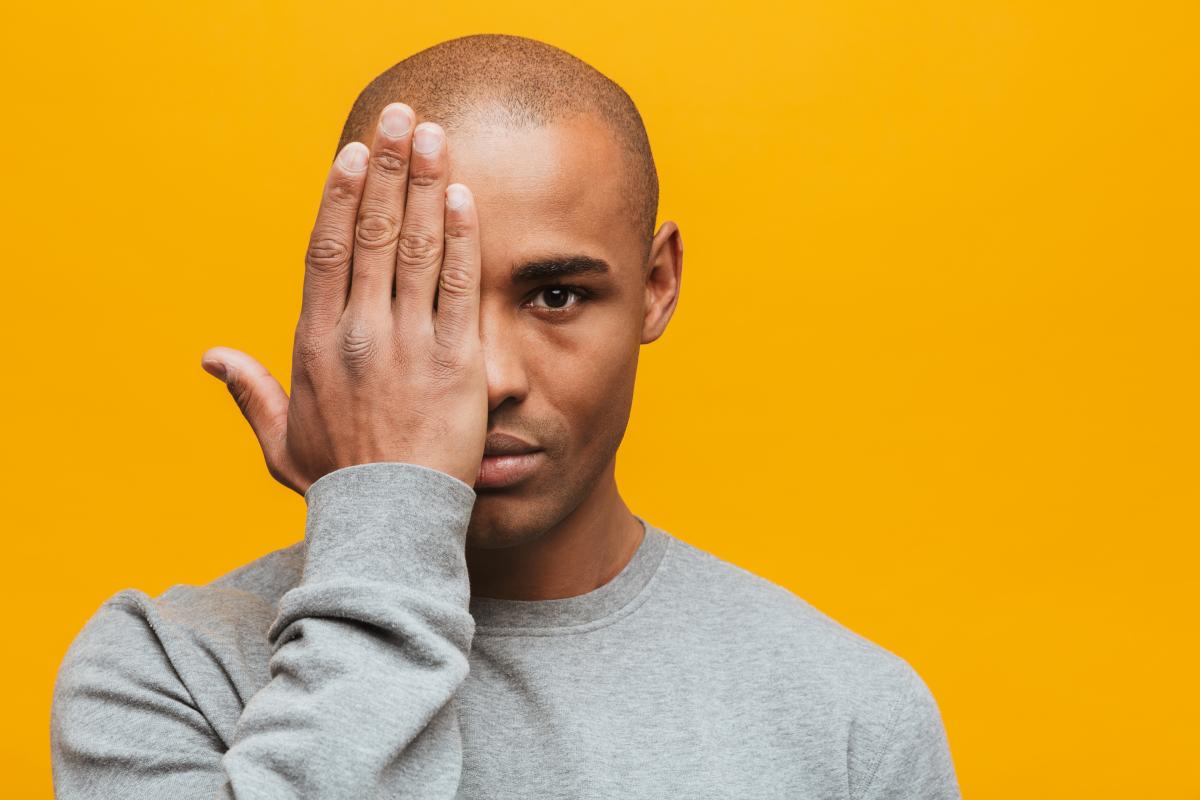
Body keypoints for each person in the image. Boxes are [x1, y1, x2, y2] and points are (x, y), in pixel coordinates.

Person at [50, 33, 961, 799]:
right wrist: (384, 518)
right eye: (417, 296)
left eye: (556, 295)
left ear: (657, 284)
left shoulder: (852, 718)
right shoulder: (165, 674)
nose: (484, 377)